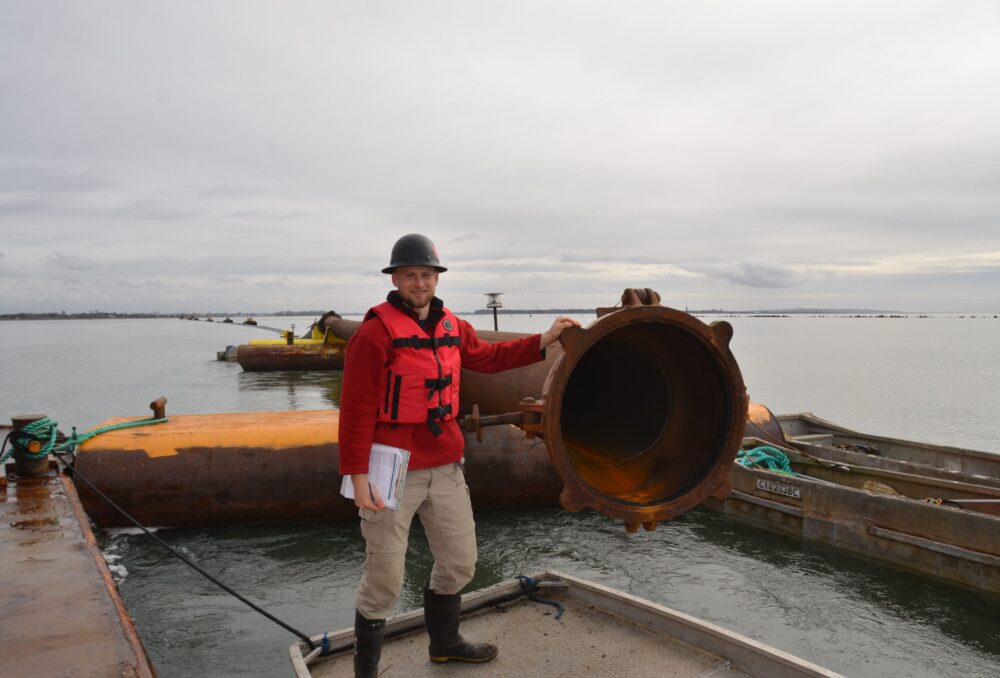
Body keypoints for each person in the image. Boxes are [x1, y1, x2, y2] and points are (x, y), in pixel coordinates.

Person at [338, 233, 578, 678]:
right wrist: (356, 475)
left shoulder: (453, 326)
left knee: (460, 562)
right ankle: (366, 672)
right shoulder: (374, 333)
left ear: (436, 278)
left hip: (445, 464)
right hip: (392, 470)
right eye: (410, 275)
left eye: (426, 275)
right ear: (395, 279)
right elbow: (354, 408)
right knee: (385, 577)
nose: (419, 283)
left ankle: (445, 645)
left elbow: (490, 358)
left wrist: (545, 339)